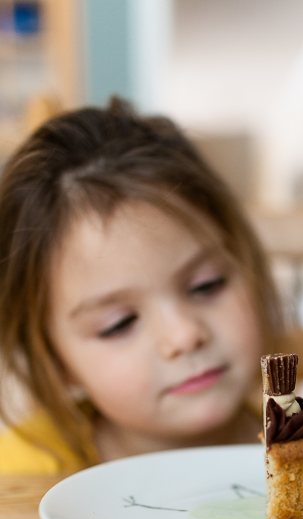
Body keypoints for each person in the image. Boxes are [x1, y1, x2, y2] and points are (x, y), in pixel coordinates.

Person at [0, 98, 281, 474]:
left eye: (206, 285)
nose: (183, 336)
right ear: (55, 362)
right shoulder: (18, 477)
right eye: (119, 323)